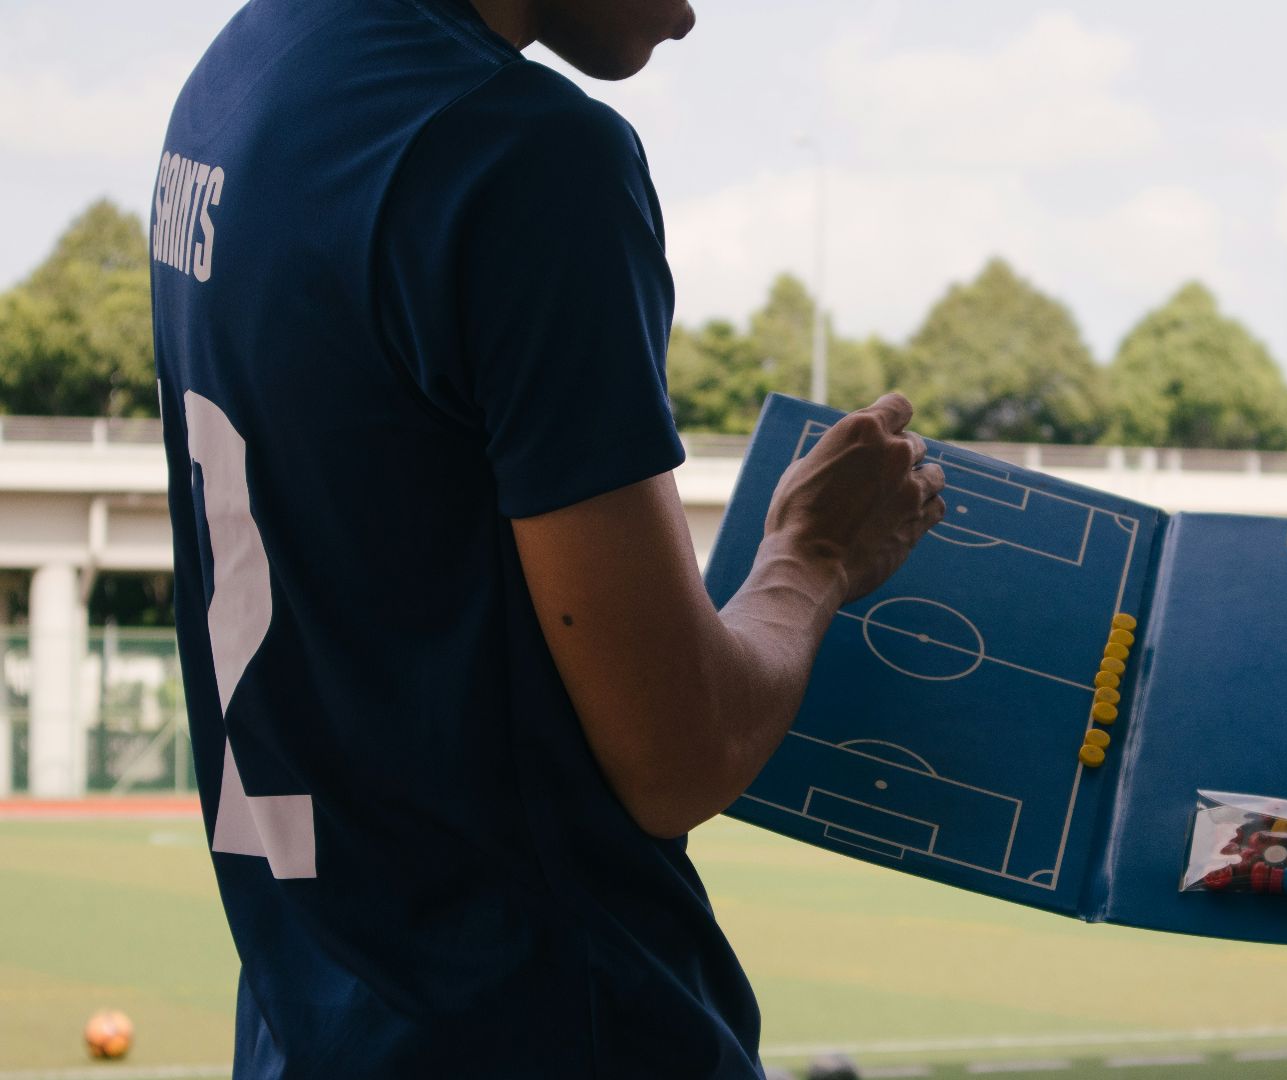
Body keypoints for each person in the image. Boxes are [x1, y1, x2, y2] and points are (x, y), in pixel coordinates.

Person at [149, 0, 945, 1074]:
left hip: (313, 1028)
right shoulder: (527, 154)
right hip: (543, 1024)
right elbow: (680, 755)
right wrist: (814, 554)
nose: (693, 14)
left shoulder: (243, 70)